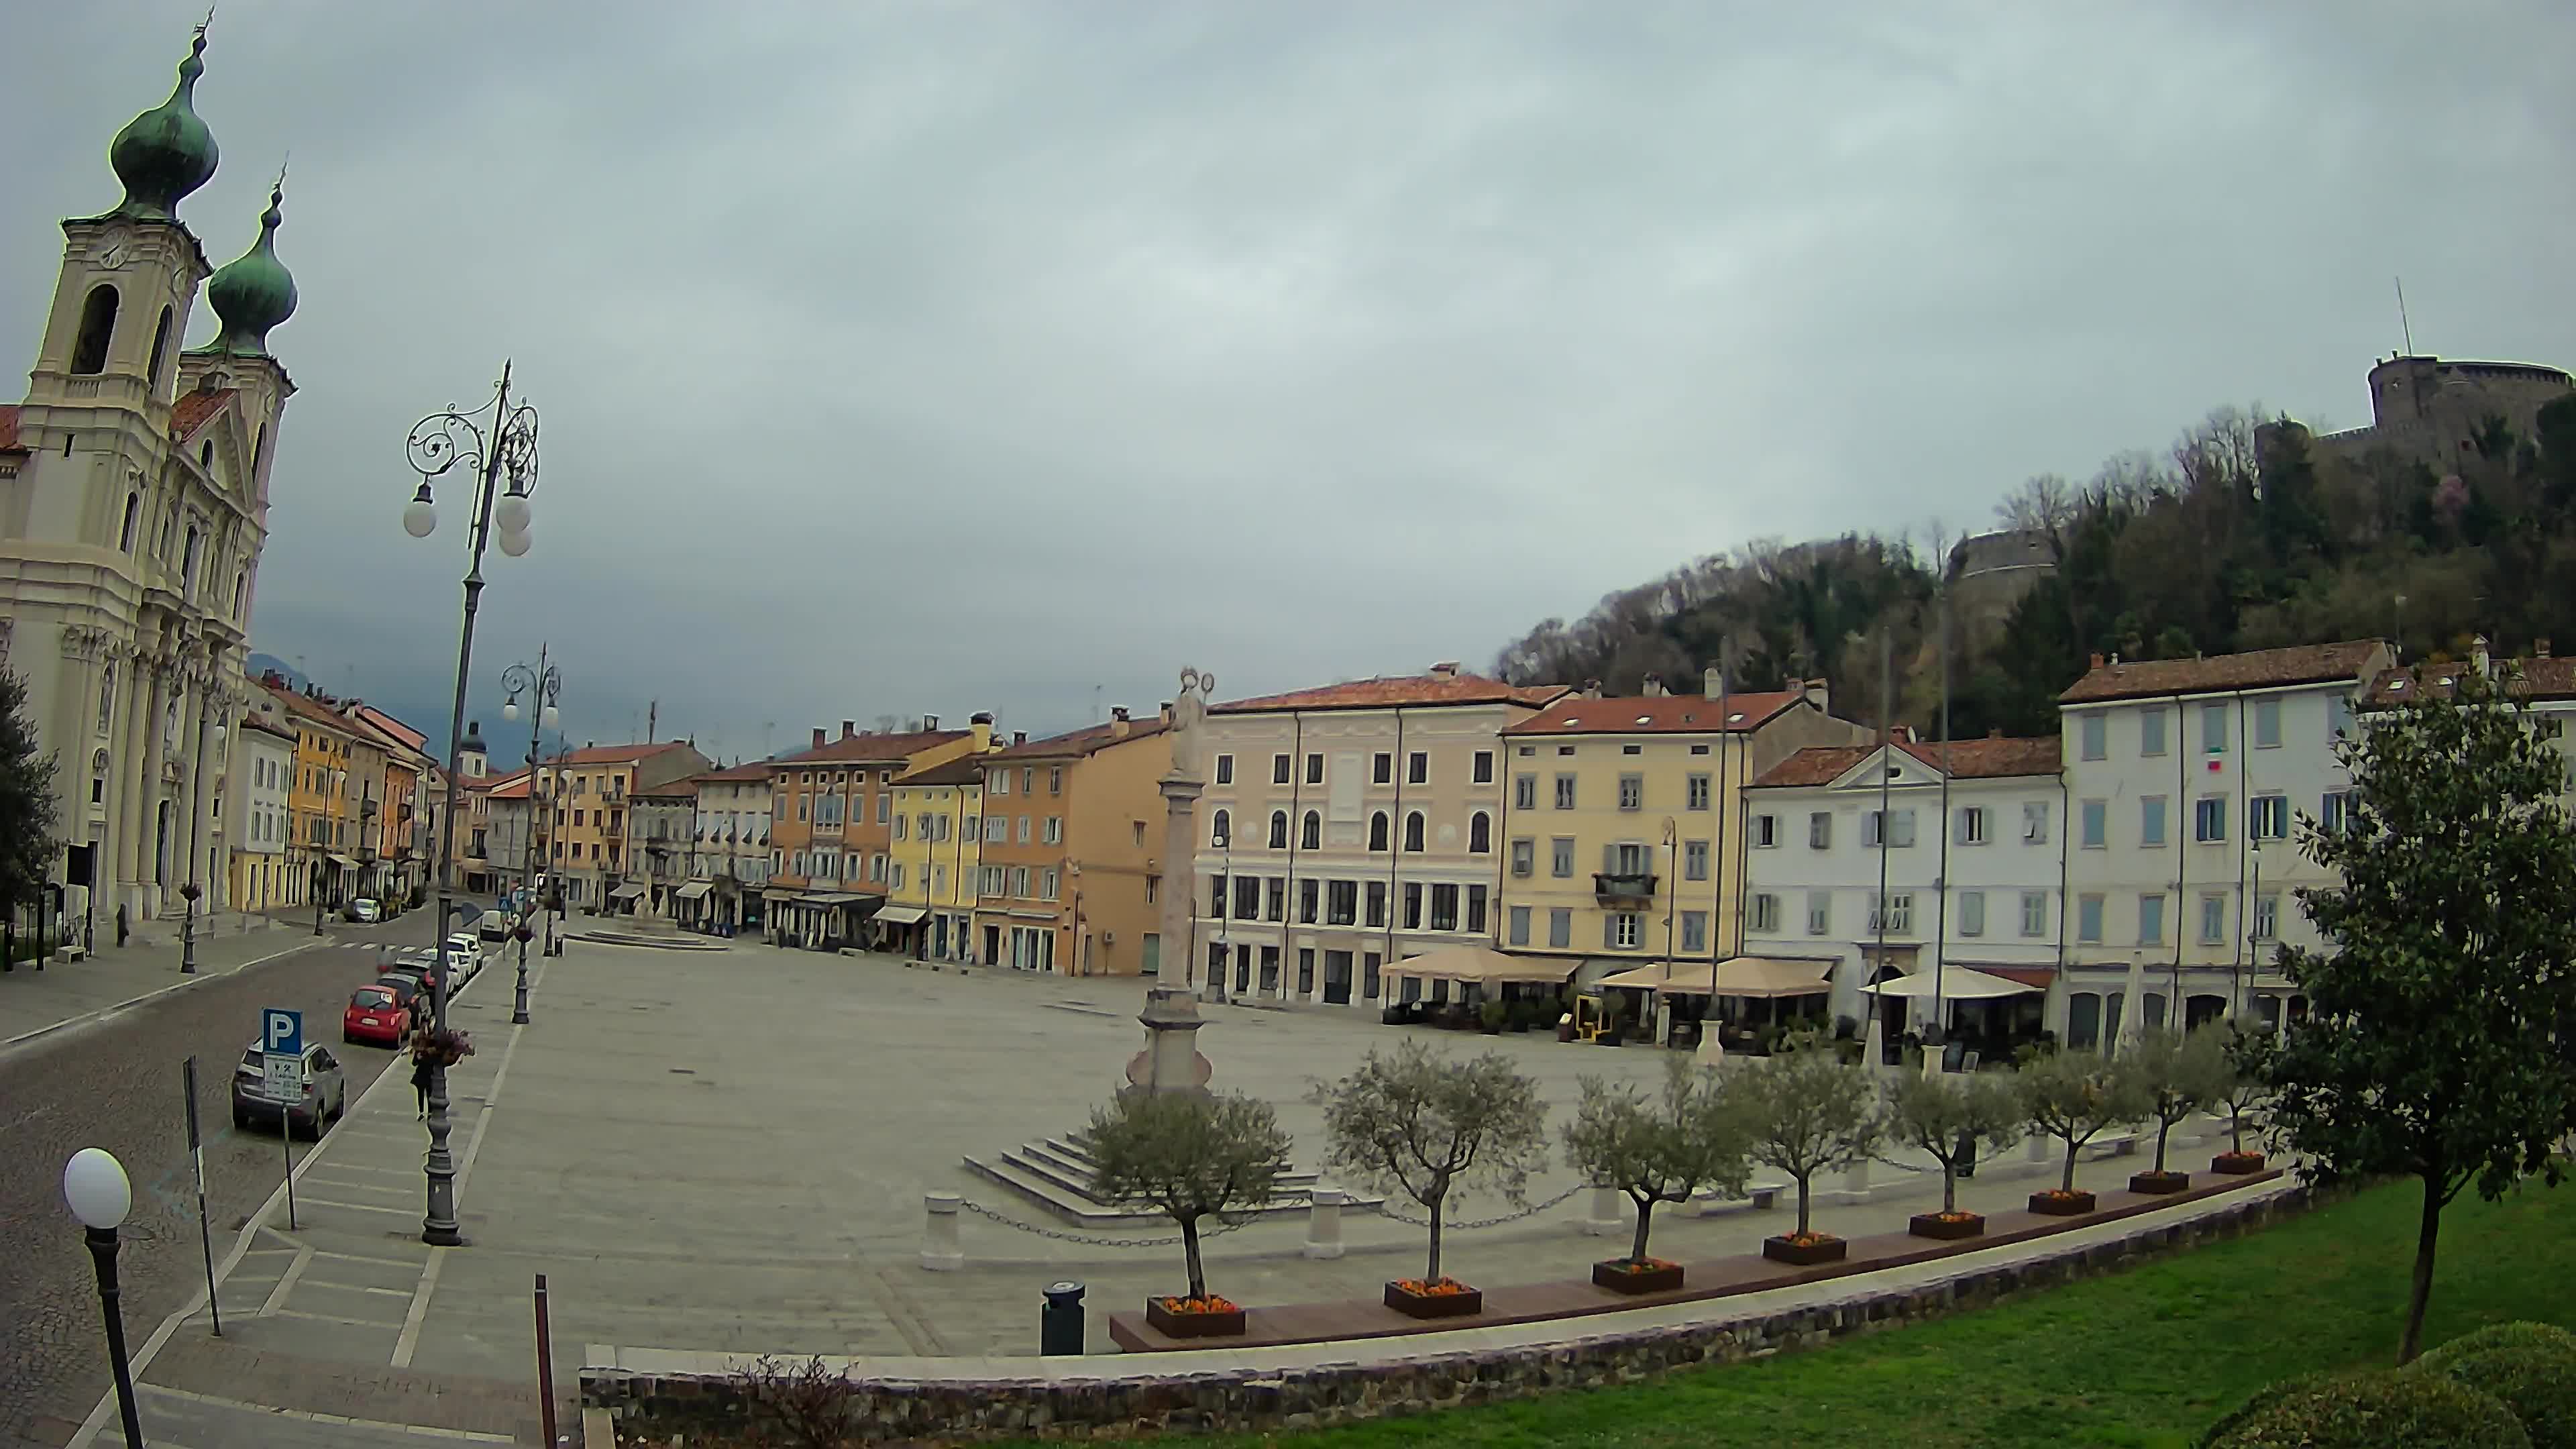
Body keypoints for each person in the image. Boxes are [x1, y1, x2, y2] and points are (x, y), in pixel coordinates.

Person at [411, 1049, 435, 1120]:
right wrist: (418, 1059)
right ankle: (421, 1113)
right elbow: (414, 1063)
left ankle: (430, 1114)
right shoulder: (420, 1051)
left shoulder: (433, 1051)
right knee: (420, 1094)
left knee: (429, 1096)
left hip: (430, 1076)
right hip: (421, 1075)